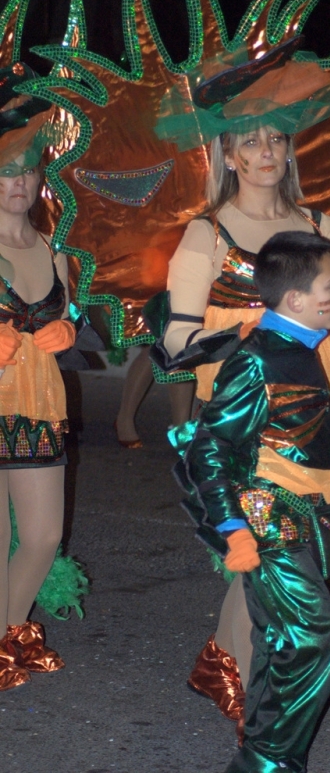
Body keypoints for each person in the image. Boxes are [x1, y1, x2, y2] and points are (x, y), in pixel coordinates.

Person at [152, 44, 330, 728]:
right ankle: (243, 681)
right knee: (258, 550)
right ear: (228, 153)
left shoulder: (320, 225)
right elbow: (173, 345)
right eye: (250, 141)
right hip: (238, 408)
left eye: (275, 139)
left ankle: (228, 665)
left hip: (312, 411)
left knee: (279, 554)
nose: (265, 152)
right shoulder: (207, 233)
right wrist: (253, 325)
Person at [177, 231, 330, 773]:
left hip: (302, 516)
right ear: (296, 300)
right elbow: (207, 450)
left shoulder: (306, 349)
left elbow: (287, 438)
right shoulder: (259, 361)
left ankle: (261, 758)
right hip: (269, 522)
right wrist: (234, 528)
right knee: (314, 638)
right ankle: (268, 763)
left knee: (283, 638)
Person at [0, 65, 76, 691]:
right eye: (3, 171)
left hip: (40, 404)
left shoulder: (56, 252)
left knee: (44, 533)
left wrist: (69, 332)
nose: (15, 182)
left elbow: (68, 315)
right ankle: (7, 637)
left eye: (24, 169)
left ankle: (8, 630)